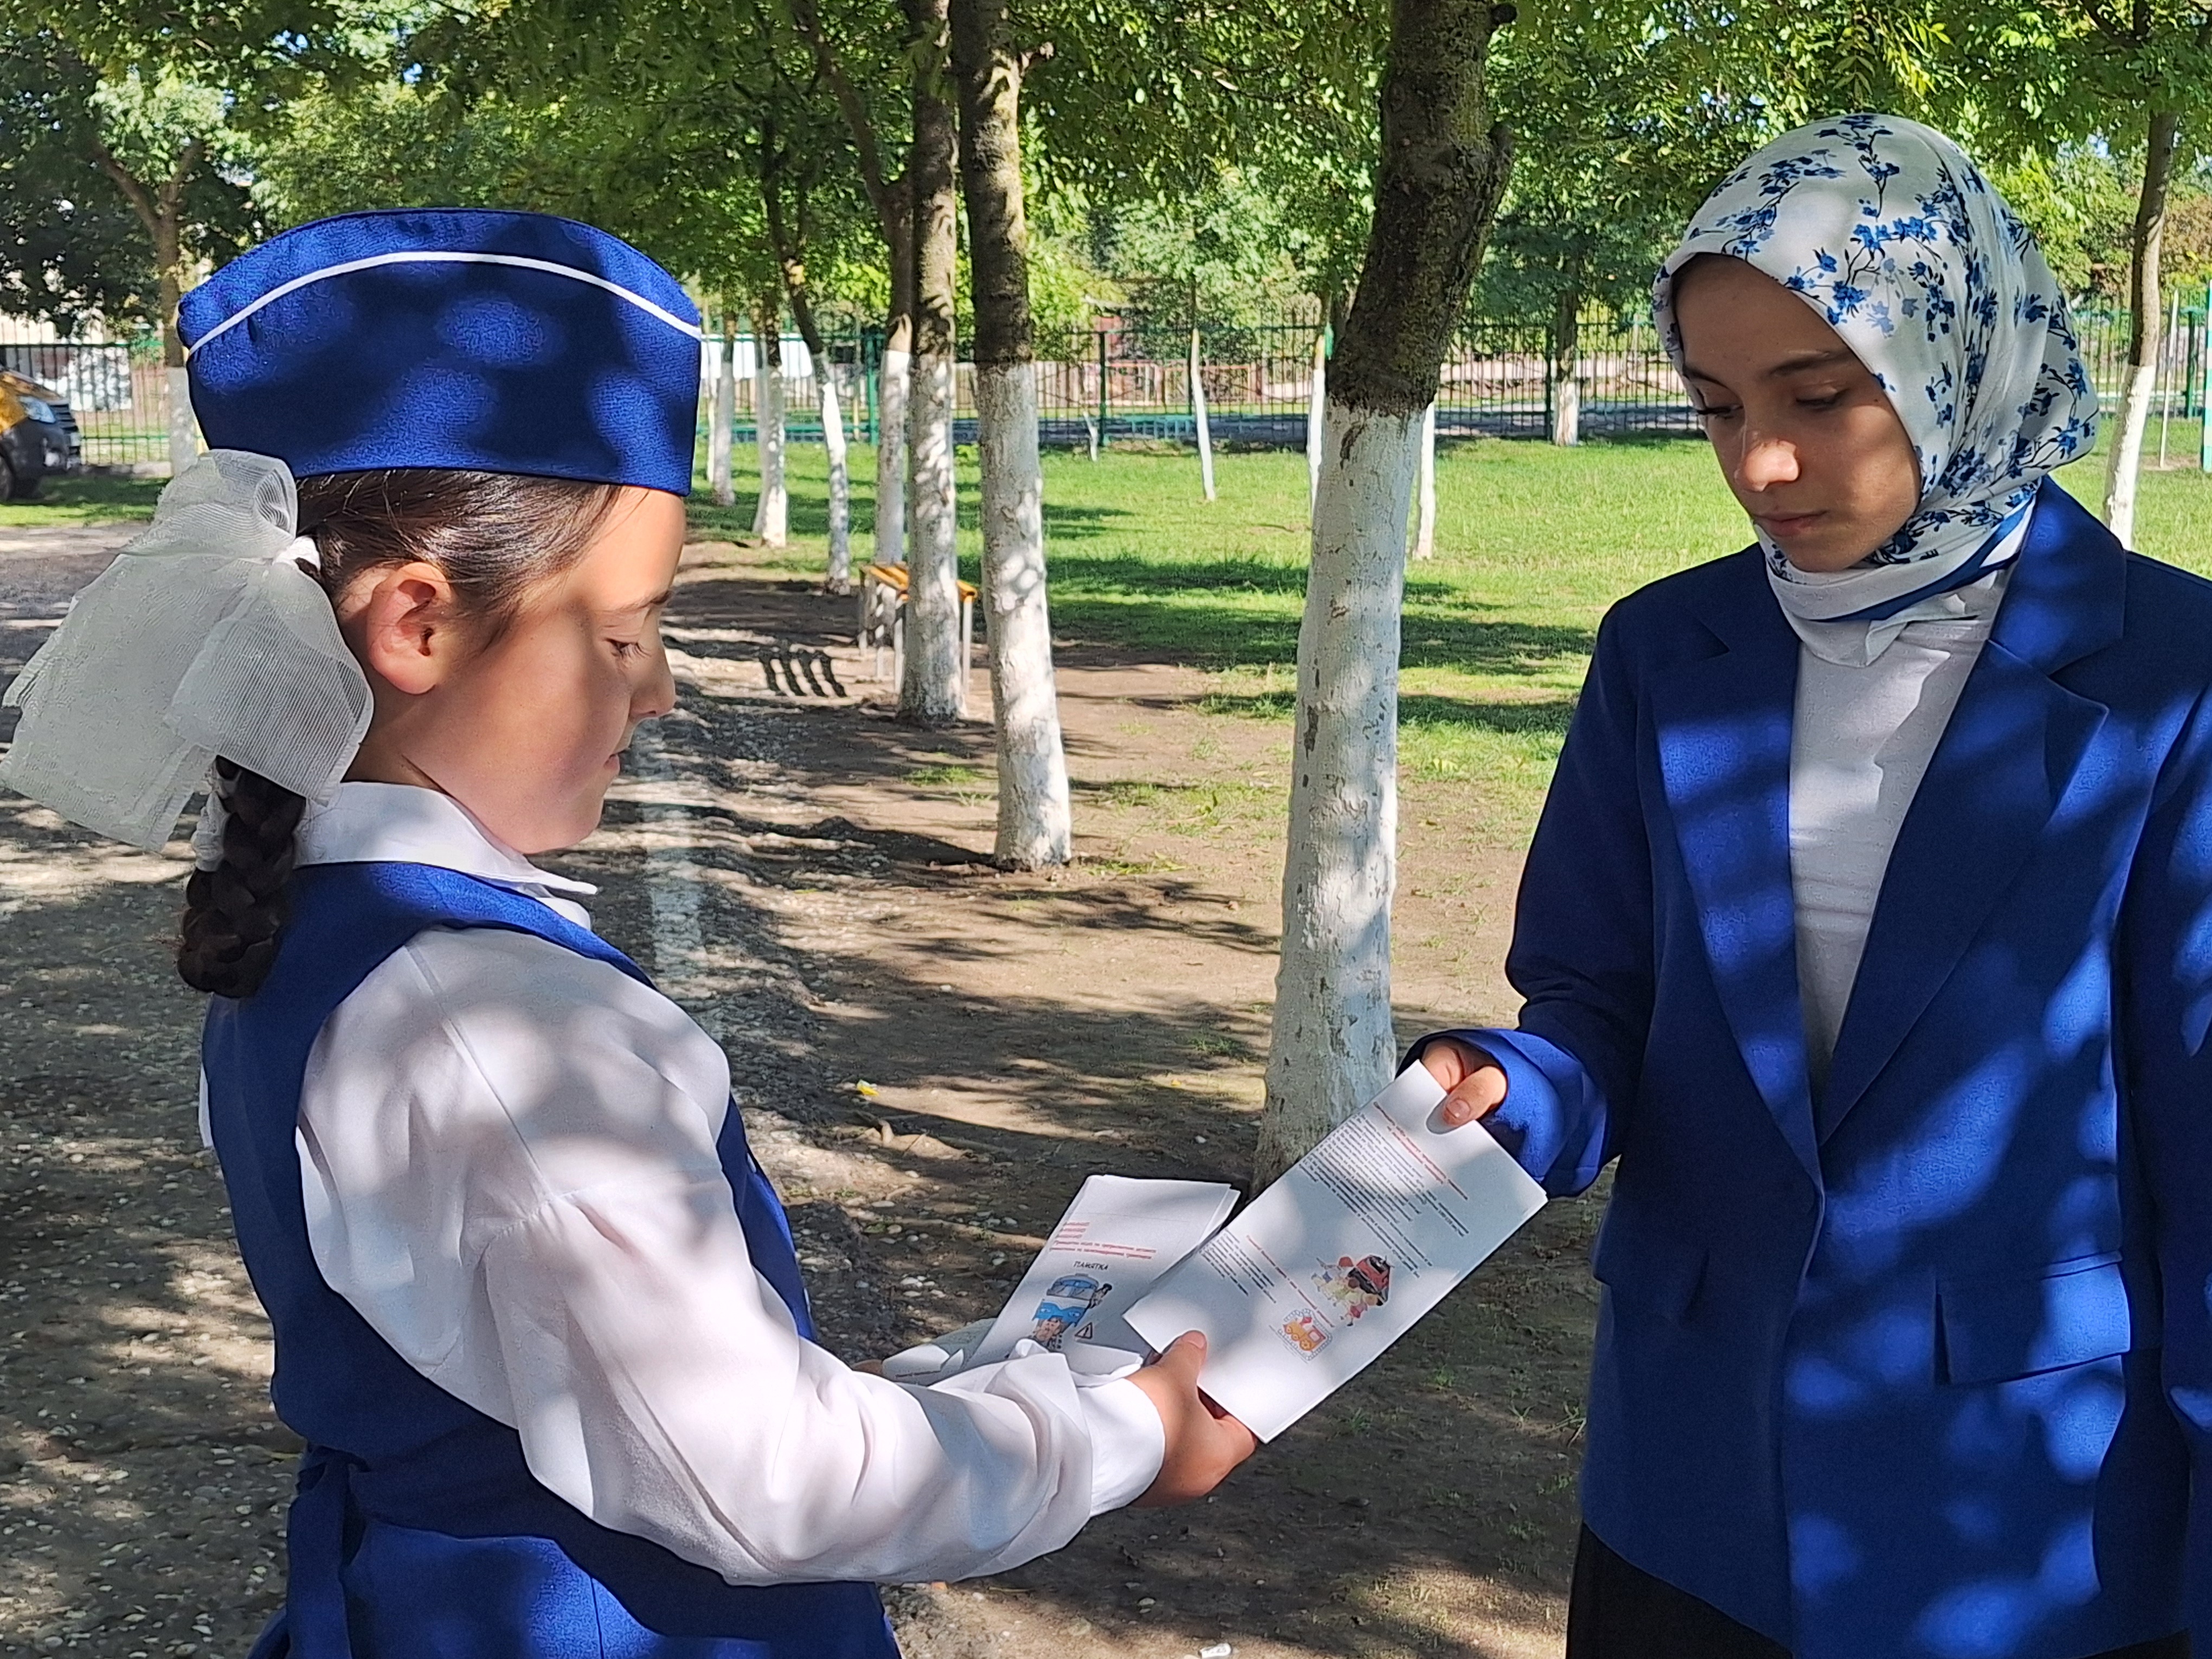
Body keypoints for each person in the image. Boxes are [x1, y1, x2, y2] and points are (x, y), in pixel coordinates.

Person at [0, 208, 1255, 1658]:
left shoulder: (323, 934)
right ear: (418, 624)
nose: (656, 691)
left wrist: (998, 1380)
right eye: (623, 634)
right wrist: (1116, 1435)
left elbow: (644, 1394)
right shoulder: (498, 1023)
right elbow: (774, 1482)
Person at [1415, 114, 2212, 1659]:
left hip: (2025, 1531)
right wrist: (1517, 1086)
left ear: (1955, 355)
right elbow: (1598, 1000)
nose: (1760, 465)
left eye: (1819, 394)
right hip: (1692, 1490)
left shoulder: (2174, 683)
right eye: (1716, 408)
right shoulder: (1666, 652)